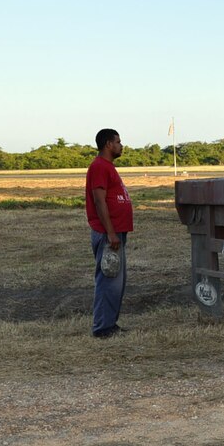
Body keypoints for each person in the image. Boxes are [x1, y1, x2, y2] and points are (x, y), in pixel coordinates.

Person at [84, 128, 133, 338]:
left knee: (116, 280)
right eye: (118, 142)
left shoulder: (107, 167)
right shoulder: (99, 167)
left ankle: (110, 324)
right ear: (108, 144)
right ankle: (103, 328)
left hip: (116, 232)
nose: (121, 146)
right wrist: (111, 233)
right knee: (108, 279)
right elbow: (99, 200)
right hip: (107, 234)